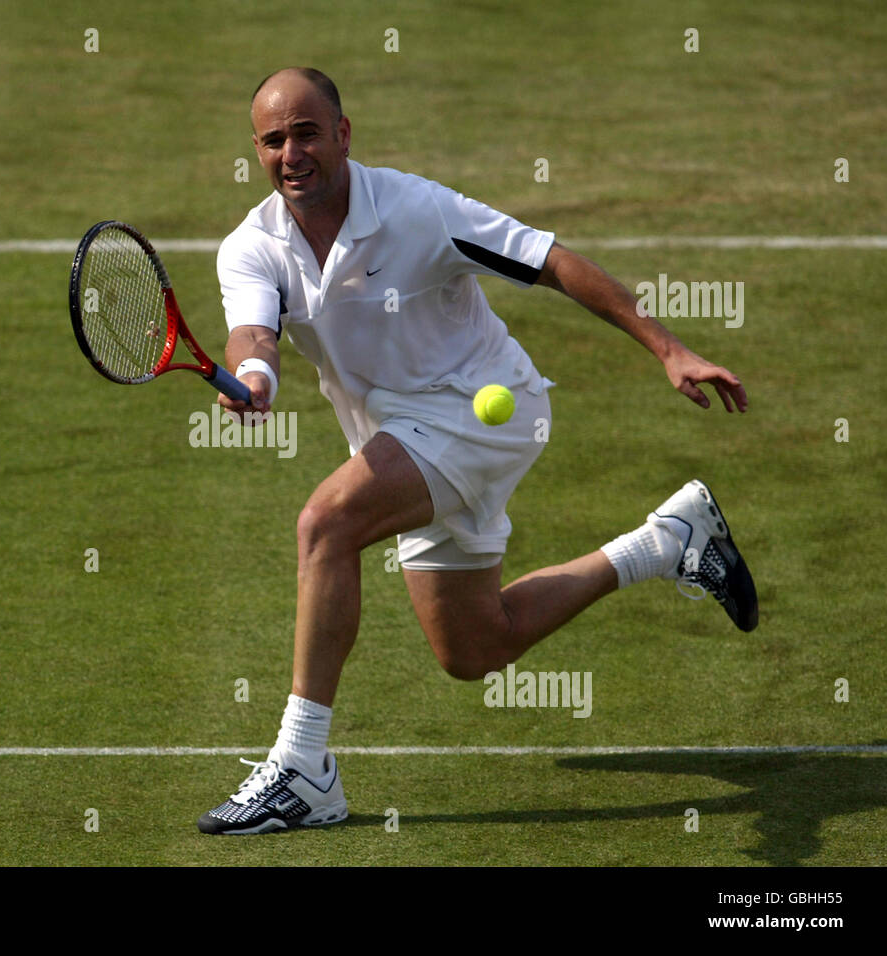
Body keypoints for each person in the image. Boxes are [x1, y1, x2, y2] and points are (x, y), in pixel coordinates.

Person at [196, 68, 757, 835]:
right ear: (256, 150)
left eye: (306, 133)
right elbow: (253, 332)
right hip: (401, 439)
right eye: (272, 140)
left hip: (486, 412)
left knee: (325, 524)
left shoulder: (418, 209)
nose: (291, 152)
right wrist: (255, 373)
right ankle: (667, 540)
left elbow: (551, 262)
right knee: (473, 647)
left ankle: (303, 770)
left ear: (343, 134)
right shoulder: (251, 245)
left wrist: (668, 348)